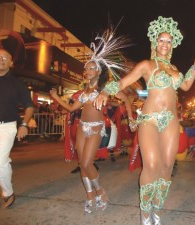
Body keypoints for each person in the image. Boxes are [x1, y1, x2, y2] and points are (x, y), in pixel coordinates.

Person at [94, 16, 195, 225]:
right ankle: (144, 212)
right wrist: (104, 92)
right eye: (161, 40)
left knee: (166, 166)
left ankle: (157, 206)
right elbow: (124, 82)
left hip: (171, 121)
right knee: (152, 165)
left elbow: (186, 87)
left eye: (168, 41)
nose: (164, 44)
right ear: (155, 43)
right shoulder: (146, 65)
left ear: (172, 45)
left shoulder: (175, 70)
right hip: (149, 120)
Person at [50, 27, 133, 214]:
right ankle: (89, 196)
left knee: (87, 163)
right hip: (81, 127)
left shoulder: (107, 87)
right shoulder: (83, 91)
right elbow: (72, 109)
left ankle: (100, 192)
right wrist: (56, 98)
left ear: (99, 70)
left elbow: (126, 98)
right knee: (82, 163)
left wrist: (131, 116)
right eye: (85, 68)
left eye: (91, 67)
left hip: (96, 128)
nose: (87, 70)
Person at [0, 38, 34, 208]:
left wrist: (24, 125)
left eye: (5, 58)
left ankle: (8, 193)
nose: (0, 59)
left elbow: (29, 106)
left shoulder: (17, 84)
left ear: (11, 63)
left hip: (6, 127)